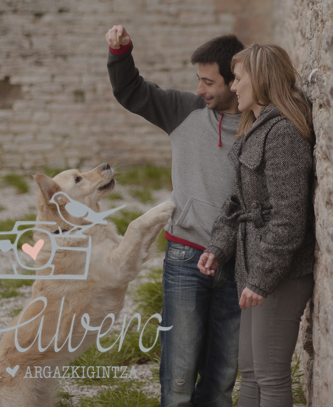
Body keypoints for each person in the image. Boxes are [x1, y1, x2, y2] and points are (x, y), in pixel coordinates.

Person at [105, 24, 244, 407]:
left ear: (236, 81)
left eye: (207, 81)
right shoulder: (185, 110)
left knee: (221, 381)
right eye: (197, 80)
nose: (199, 89)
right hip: (185, 259)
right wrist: (121, 53)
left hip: (236, 266)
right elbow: (131, 91)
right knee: (179, 378)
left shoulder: (259, 125)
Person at [197, 44, 315, 407]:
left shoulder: (283, 134)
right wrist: (219, 246)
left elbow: (289, 218)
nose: (233, 87)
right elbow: (239, 204)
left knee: (270, 376)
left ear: (260, 78)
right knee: (249, 372)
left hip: (280, 275)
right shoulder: (255, 127)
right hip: (254, 270)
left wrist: (261, 279)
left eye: (237, 77)